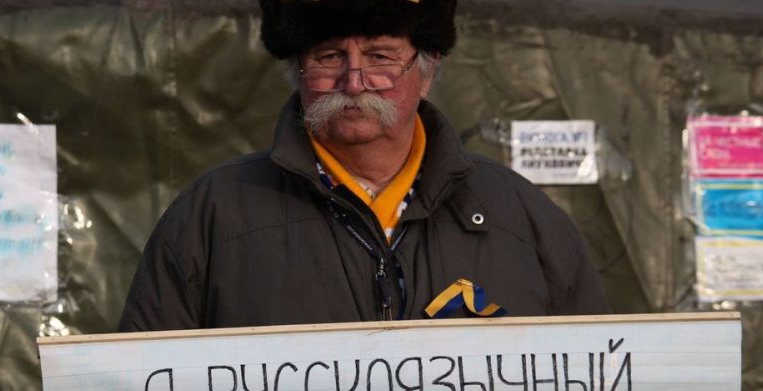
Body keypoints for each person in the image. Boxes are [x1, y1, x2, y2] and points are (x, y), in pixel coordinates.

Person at [118, 0, 609, 332]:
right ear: (297, 72)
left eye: (379, 56)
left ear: (427, 70)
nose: (354, 82)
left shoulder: (523, 217)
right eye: (330, 56)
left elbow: (592, 389)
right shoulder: (211, 217)